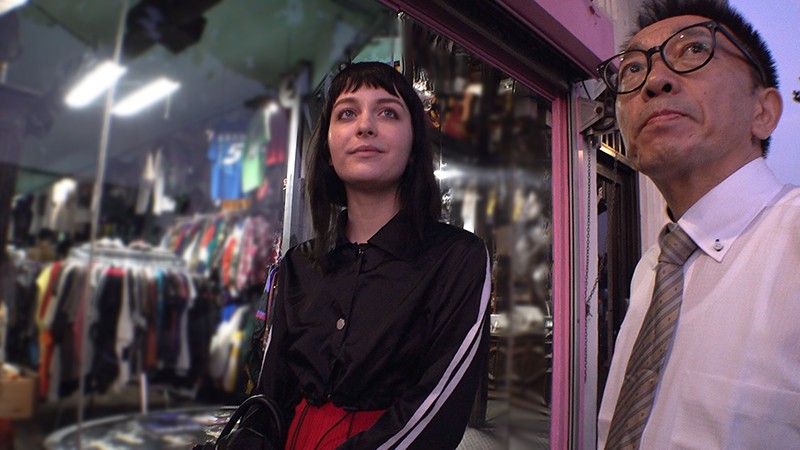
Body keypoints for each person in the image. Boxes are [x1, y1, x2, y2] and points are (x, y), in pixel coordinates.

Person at [595, 0, 800, 448]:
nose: (654, 80)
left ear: (763, 112)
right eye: (632, 70)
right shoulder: (653, 266)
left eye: (693, 51)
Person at [258, 61, 491, 449]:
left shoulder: (458, 259)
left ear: (414, 147)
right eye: (347, 113)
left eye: (387, 112)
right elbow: (269, 395)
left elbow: (437, 411)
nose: (365, 126)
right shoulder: (297, 265)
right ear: (328, 150)